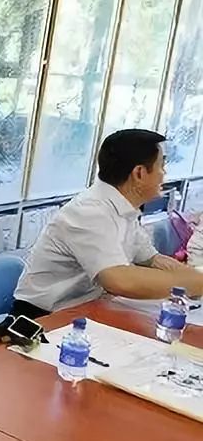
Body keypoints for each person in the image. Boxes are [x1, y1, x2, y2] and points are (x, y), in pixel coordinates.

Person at [11, 129, 203, 317]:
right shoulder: (90, 212)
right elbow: (119, 280)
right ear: (139, 173)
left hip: (86, 308)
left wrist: (193, 279)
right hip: (43, 317)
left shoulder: (124, 208)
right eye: (162, 165)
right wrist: (192, 283)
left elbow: (152, 259)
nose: (164, 173)